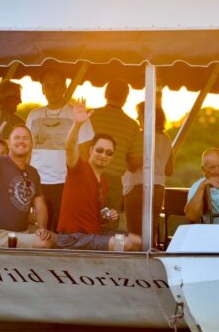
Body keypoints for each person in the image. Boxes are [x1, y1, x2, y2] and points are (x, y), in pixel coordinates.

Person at [55, 100, 141, 251]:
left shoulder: (104, 182)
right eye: (99, 150)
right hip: (72, 238)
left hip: (93, 234)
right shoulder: (79, 168)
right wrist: (77, 124)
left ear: (112, 157)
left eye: (109, 153)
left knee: (138, 241)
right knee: (124, 244)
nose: (103, 155)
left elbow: (95, 219)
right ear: (91, 150)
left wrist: (108, 216)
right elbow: (69, 147)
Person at [26, 68, 94, 231]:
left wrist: (81, 182)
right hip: (38, 181)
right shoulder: (33, 115)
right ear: (42, 89)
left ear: (64, 87)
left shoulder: (77, 115)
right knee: (40, 229)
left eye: (56, 85)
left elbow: (85, 153)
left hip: (66, 182)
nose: (51, 90)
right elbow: (27, 151)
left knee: (63, 229)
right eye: (47, 86)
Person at [0, 111, 53, 248]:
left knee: (56, 238)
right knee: (44, 243)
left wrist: (42, 228)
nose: (21, 141)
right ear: (9, 144)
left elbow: (40, 206)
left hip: (22, 233)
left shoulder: (33, 172)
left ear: (31, 144)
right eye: (16, 138)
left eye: (25, 138)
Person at [123, 102, 173, 243]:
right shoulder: (166, 139)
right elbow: (169, 171)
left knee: (134, 234)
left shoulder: (140, 137)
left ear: (146, 117)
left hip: (136, 186)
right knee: (150, 233)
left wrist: (123, 156)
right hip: (158, 188)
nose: (138, 119)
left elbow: (134, 165)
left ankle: (135, 263)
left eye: (139, 116)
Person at [89, 79, 142, 212]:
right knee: (109, 225)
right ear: (125, 98)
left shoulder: (90, 116)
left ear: (105, 94)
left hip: (88, 177)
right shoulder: (132, 125)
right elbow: (136, 161)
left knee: (86, 220)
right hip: (114, 181)